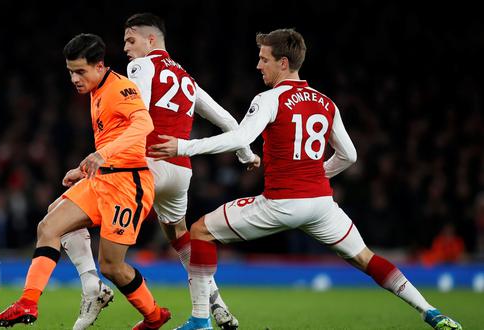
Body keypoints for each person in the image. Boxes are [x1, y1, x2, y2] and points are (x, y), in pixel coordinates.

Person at [150, 28, 462, 330]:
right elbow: (349, 155)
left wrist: (184, 146)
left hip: (281, 202)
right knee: (366, 258)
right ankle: (431, 312)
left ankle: (202, 320)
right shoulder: (326, 102)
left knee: (201, 230)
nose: (259, 65)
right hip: (321, 205)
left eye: (264, 59)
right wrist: (315, 174)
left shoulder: (269, 99)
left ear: (282, 63)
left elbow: (240, 137)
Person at [61, 13, 256, 330]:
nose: (125, 48)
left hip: (146, 165)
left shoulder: (140, 67)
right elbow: (230, 122)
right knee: (180, 238)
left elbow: (140, 113)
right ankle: (218, 308)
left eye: (130, 40)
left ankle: (91, 287)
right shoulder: (187, 80)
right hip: (180, 171)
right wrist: (246, 154)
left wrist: (99, 157)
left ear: (151, 40)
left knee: (70, 211)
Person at [0, 33, 171, 330]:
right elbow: (113, 137)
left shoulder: (121, 88)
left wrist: (101, 154)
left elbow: (144, 123)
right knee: (49, 225)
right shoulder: (95, 90)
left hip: (128, 186)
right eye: (70, 71)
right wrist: (84, 167)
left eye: (80, 71)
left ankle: (154, 316)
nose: (74, 78)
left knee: (112, 266)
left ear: (99, 66)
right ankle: (29, 302)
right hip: (102, 178)